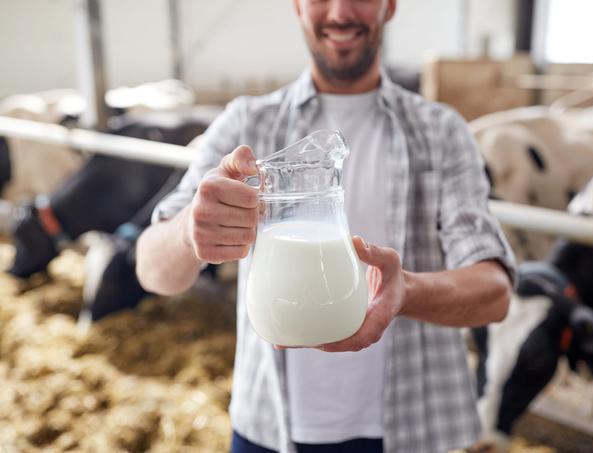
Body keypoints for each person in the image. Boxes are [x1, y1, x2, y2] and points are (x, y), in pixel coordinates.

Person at [136, 0, 516, 452]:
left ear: (389, 5)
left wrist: (405, 293)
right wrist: (187, 232)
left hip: (416, 431)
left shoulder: (442, 132)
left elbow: (495, 292)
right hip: (269, 429)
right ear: (297, 5)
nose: (339, 12)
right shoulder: (246, 123)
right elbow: (151, 270)